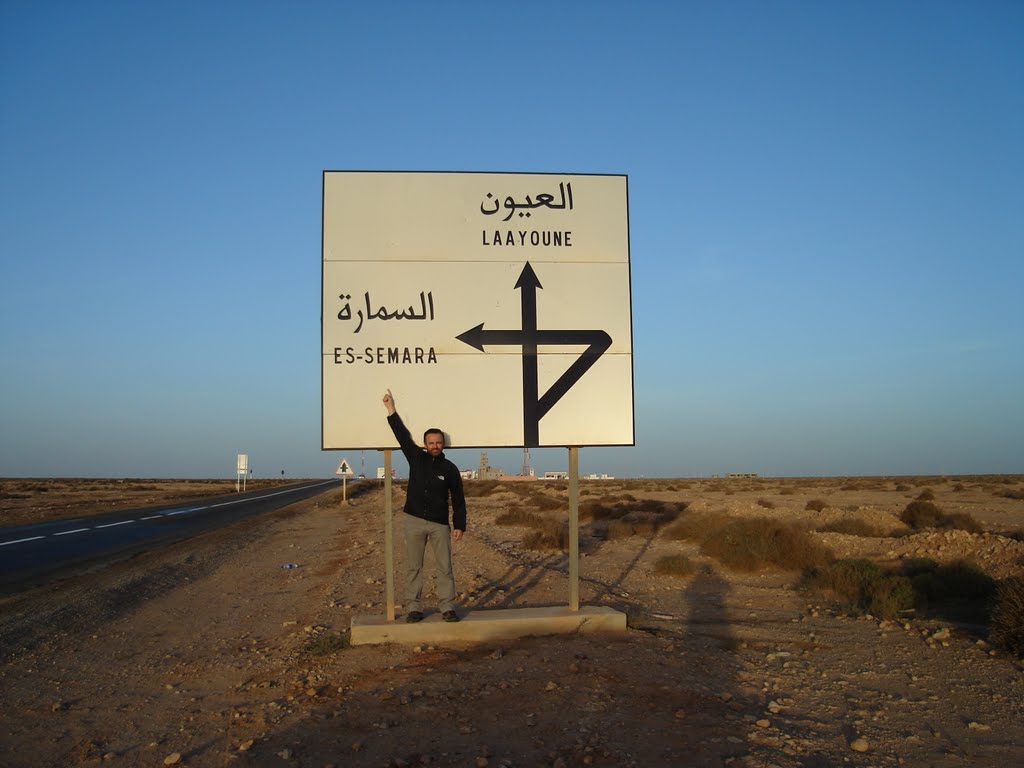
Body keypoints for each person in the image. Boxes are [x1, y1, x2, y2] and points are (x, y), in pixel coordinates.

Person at [382, 389, 466, 623]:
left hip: (440, 524)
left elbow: (458, 498)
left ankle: (447, 607)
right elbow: (401, 435)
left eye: (439, 442)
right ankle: (414, 608)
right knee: (414, 567)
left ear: (443, 444)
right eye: (431, 442)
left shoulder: (450, 468)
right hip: (414, 520)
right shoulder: (416, 458)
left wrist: (459, 525)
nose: (435, 445)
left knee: (445, 567)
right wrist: (391, 409)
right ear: (425, 444)